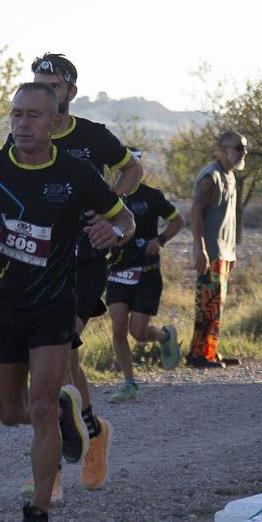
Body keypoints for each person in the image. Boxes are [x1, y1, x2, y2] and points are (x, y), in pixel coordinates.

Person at [0, 82, 135, 522]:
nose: (22, 124)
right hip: (1, 304)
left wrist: (110, 231)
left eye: (33, 116)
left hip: (53, 305)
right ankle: (64, 412)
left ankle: (37, 515)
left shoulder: (76, 174)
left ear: (54, 123)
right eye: (15, 115)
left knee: (37, 408)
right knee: (10, 413)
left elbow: (125, 220)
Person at [18, 53, 143, 493]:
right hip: (43, 257)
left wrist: (112, 202)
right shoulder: (27, 136)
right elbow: (2, 181)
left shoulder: (93, 137)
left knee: (55, 352)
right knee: (62, 358)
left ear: (70, 91)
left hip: (87, 256)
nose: (44, 91)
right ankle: (92, 433)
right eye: (37, 84)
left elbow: (134, 167)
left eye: (52, 85)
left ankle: (52, 471)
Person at [105, 151, 186, 402]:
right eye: (120, 168)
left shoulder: (152, 196)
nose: (125, 172)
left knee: (137, 332)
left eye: (130, 167)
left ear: (138, 170)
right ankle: (129, 384)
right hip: (118, 272)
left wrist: (159, 240)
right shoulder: (107, 197)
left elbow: (178, 220)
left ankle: (165, 336)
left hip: (147, 273)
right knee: (118, 325)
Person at [187, 130, 247, 368]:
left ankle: (210, 352)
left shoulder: (230, 176)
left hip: (224, 253)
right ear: (222, 150)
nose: (243, 153)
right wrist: (200, 249)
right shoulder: (210, 177)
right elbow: (195, 212)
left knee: (216, 305)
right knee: (207, 305)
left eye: (244, 148)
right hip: (210, 252)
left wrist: (232, 253)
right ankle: (197, 355)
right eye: (238, 148)